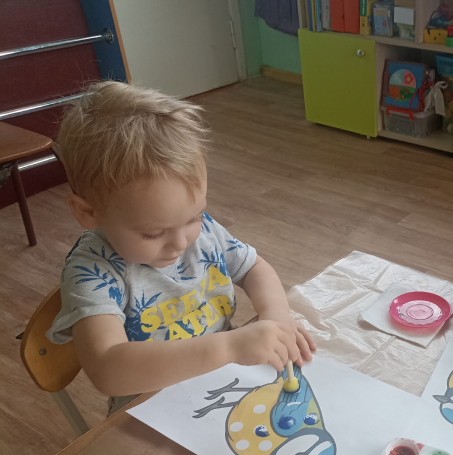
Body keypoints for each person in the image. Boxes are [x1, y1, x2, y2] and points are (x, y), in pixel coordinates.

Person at [48, 81, 314, 404]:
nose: (180, 242)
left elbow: (253, 267)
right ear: (88, 212)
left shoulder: (202, 232)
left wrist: (276, 314)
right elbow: (107, 369)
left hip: (225, 382)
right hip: (152, 407)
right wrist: (230, 346)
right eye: (153, 233)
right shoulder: (92, 271)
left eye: (194, 217)